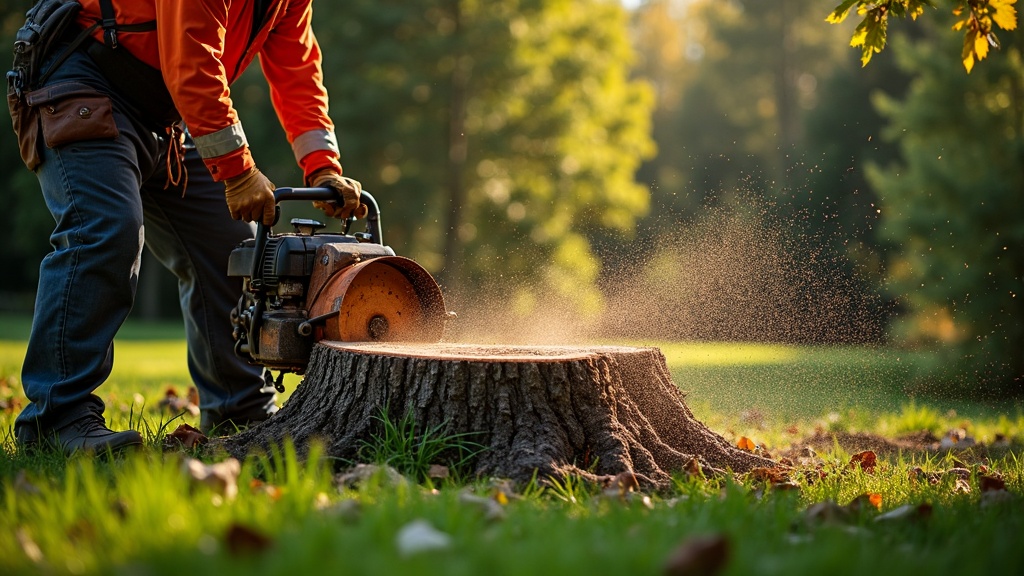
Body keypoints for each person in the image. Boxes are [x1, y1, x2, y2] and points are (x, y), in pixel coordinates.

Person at [7, 0, 361, 454]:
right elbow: (192, 60)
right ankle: (56, 420)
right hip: (83, 80)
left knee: (232, 247)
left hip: (165, 112)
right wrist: (237, 171)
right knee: (106, 230)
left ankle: (240, 410)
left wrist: (323, 168)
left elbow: (298, 70)